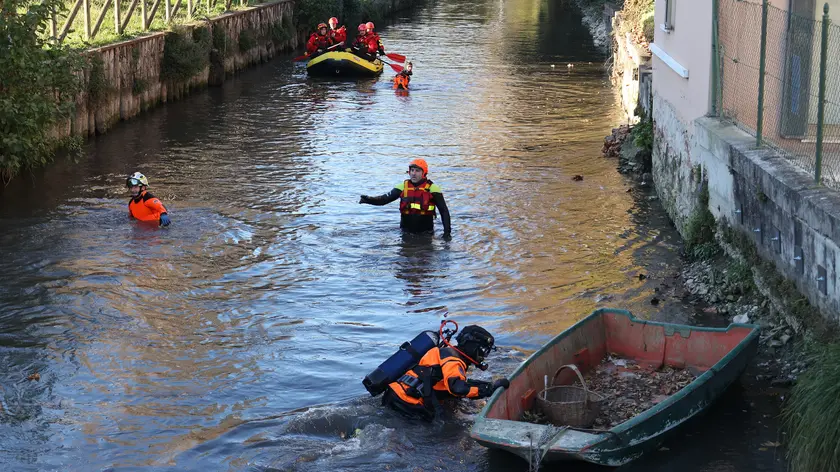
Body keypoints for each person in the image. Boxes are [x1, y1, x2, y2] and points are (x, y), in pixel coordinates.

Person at [381, 325, 509, 421]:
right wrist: (489, 389)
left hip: (394, 394)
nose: (483, 356)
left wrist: (486, 386)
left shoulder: (445, 351)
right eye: (483, 351)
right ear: (473, 347)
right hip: (407, 404)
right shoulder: (453, 360)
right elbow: (457, 388)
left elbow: (450, 383)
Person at [359, 159, 451, 239]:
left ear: (424, 173)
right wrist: (368, 200)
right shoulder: (403, 186)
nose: (414, 174)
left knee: (425, 258)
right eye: (412, 170)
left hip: (426, 234)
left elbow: (444, 212)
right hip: (405, 233)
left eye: (417, 171)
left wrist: (447, 234)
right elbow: (384, 200)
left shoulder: (433, 188)